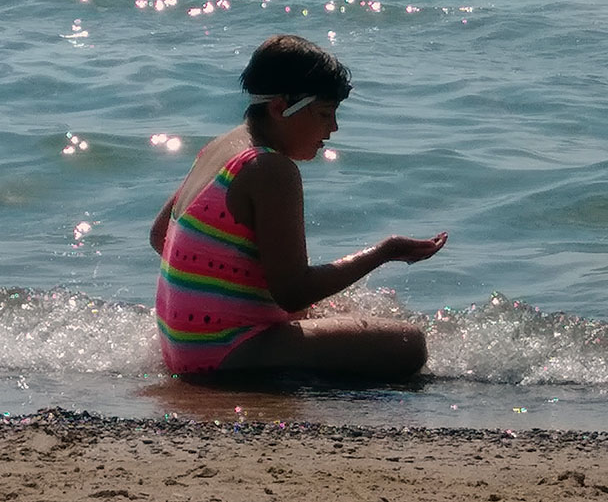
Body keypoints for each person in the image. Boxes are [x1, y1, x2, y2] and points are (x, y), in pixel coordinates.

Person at [150, 34, 447, 380]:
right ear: (280, 108)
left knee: (340, 309)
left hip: (183, 347)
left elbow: (160, 236)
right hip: (225, 353)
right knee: (409, 344)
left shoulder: (221, 147)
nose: (333, 129)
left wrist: (228, 295)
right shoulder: (271, 169)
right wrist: (384, 252)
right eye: (324, 114)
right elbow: (292, 293)